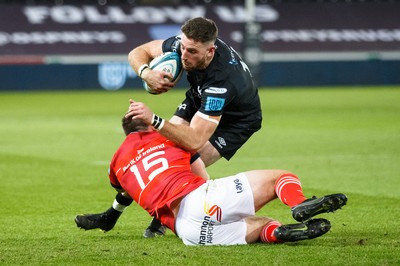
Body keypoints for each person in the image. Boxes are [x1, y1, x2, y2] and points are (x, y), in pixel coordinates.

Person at [75, 103, 348, 246]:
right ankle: (298, 204)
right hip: (200, 201)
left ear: (127, 134)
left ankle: (276, 232)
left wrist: (110, 216)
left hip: (189, 234)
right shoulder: (172, 140)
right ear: (149, 126)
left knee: (260, 224)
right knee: (280, 178)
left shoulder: (117, 161)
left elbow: (124, 191)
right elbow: (203, 180)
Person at [91, 17, 264, 238]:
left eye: (192, 51)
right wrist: (146, 73)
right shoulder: (185, 45)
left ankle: (169, 221)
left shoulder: (222, 81)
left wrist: (154, 120)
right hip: (198, 98)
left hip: (237, 120)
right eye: (183, 47)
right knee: (155, 153)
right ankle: (112, 215)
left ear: (210, 51)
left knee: (187, 162)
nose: (184, 55)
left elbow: (194, 140)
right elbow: (137, 51)